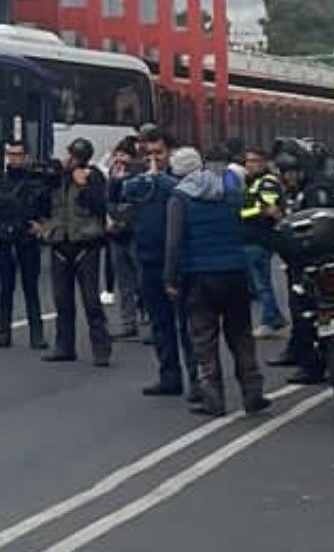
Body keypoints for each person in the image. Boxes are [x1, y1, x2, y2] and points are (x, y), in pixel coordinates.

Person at [165, 146, 270, 417]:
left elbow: (174, 243)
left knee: (204, 340)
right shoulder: (232, 194)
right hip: (234, 273)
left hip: (199, 277)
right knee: (241, 337)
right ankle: (253, 392)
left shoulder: (180, 197)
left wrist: (170, 278)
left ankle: (213, 399)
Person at [121, 141, 188, 397]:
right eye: (148, 154)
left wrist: (159, 179)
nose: (153, 159)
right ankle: (169, 375)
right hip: (148, 259)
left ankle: (198, 378)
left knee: (188, 324)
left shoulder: (177, 183)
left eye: (158, 153)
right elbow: (120, 193)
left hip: (178, 262)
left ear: (169, 155)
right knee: (161, 324)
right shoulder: (142, 184)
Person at [41, 137, 112, 365]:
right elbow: (43, 196)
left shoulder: (94, 177)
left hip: (86, 245)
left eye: (74, 156)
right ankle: (64, 346)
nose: (69, 159)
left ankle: (101, 349)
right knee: (62, 300)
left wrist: (84, 186)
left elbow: (101, 206)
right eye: (69, 154)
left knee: (91, 300)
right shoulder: (59, 177)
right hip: (60, 242)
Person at [264, 144, 332, 384]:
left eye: (290, 172)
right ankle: (297, 350)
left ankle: (312, 365)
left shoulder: (317, 190)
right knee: (299, 310)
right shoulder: (302, 189)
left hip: (312, 261)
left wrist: (280, 218)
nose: (287, 177)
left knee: (307, 312)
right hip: (298, 260)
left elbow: (311, 226)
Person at [0, 139, 54, 350]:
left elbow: (46, 205)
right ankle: (4, 333)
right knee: (5, 287)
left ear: (26, 156)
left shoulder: (36, 181)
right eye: (10, 154)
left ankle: (37, 334)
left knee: (31, 287)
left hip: (27, 235)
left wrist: (41, 224)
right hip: (6, 236)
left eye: (18, 154)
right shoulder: (0, 180)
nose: (14, 158)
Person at [238, 147, 289, 339]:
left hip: (258, 239)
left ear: (264, 162)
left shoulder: (267, 182)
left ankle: (269, 320)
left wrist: (244, 212)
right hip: (253, 238)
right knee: (260, 283)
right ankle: (274, 317)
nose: (249, 165)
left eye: (254, 161)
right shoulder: (254, 182)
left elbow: (269, 208)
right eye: (247, 161)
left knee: (262, 284)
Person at [105, 135, 146, 342]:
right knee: (124, 283)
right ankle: (128, 322)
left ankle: (148, 320)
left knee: (142, 280)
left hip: (135, 234)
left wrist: (122, 181)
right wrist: (114, 181)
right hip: (117, 234)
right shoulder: (113, 176)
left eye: (123, 155)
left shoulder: (140, 176)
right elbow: (109, 200)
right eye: (117, 154)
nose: (119, 158)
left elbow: (137, 202)